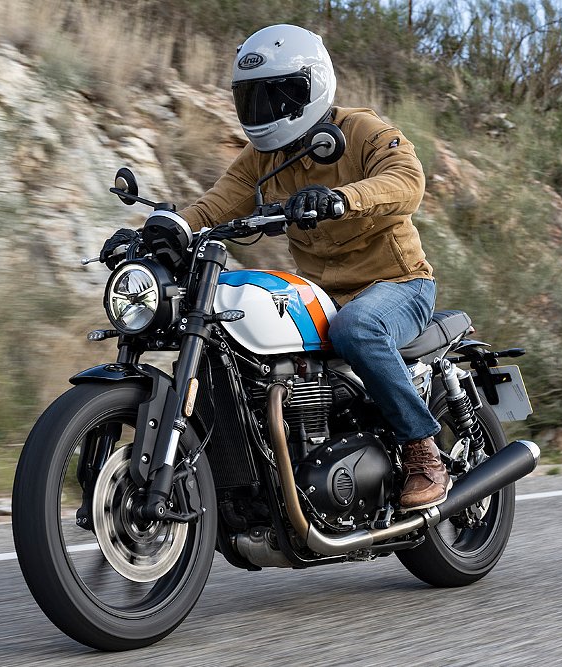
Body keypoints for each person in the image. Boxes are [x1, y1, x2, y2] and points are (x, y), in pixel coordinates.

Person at [116, 24, 450, 509]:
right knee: (226, 330)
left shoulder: (362, 130)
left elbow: (406, 181)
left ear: (310, 86)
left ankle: (422, 451)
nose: (265, 111)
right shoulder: (260, 158)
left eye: (277, 96)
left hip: (397, 285)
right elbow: (213, 206)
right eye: (253, 99)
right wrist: (160, 229)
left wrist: (341, 199)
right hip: (321, 294)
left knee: (357, 329)